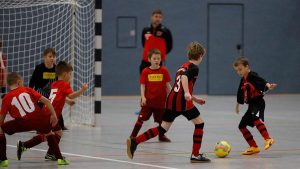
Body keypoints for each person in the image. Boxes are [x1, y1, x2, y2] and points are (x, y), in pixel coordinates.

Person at [127, 41, 211, 163]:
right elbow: (184, 78)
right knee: (200, 123)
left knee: (162, 129)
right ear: (200, 56)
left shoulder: (183, 65)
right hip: (181, 103)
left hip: (171, 100)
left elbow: (178, 87)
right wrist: (187, 93)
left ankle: (135, 141)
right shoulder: (194, 68)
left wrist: (194, 99)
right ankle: (195, 155)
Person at [18, 61, 88, 161]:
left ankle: (50, 154)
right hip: (51, 115)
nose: (71, 77)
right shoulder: (64, 84)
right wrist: (82, 90)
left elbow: (57, 96)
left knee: (58, 132)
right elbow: (71, 95)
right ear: (65, 74)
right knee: (47, 135)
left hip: (48, 112)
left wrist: (67, 101)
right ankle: (23, 145)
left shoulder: (55, 83)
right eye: (70, 74)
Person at [0, 72, 69, 167]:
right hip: (40, 118)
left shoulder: (6, 98)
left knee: (0, 129)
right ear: (19, 82)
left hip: (22, 122)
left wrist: (2, 129)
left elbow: (2, 118)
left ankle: (3, 160)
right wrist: (54, 115)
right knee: (49, 133)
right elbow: (47, 101)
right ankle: (60, 159)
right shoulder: (27, 89)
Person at [233, 56, 277, 155]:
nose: (239, 72)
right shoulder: (243, 80)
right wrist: (237, 105)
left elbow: (262, 80)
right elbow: (239, 93)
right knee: (241, 126)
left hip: (258, 102)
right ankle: (253, 146)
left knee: (255, 118)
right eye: (237, 71)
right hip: (251, 105)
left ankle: (268, 139)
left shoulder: (252, 75)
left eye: (240, 69)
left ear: (246, 67)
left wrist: (269, 85)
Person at [130, 48, 172, 142]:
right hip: (148, 102)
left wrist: (173, 95)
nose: (157, 60)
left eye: (158, 58)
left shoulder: (164, 71)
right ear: (149, 59)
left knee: (162, 121)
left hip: (160, 102)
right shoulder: (145, 71)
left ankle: (161, 136)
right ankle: (132, 136)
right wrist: (143, 97)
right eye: (154, 58)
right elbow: (142, 86)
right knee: (140, 119)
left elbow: (167, 85)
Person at [29, 48, 68, 130]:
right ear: (45, 57)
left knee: (56, 106)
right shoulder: (39, 68)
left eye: (53, 56)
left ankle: (60, 124)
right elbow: (32, 81)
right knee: (40, 110)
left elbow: (59, 82)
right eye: (50, 56)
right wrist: (30, 93)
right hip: (40, 93)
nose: (52, 58)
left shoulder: (57, 69)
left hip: (52, 93)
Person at [140, 9, 173, 73]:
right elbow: (144, 44)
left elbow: (169, 46)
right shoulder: (145, 30)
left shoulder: (165, 31)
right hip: (145, 61)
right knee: (144, 81)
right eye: (156, 16)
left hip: (158, 62)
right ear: (152, 17)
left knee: (157, 82)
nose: (158, 19)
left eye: (160, 17)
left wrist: (159, 55)